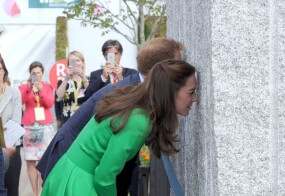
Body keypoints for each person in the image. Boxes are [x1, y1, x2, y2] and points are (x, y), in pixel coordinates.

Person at [36, 37, 183, 195]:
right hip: (74, 170)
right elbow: (104, 166)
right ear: (161, 70)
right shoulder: (126, 91)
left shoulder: (136, 86)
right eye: (177, 66)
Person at [19, 61, 55, 196]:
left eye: (38, 73)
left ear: (42, 73)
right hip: (30, 127)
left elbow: (50, 103)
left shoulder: (47, 87)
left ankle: (44, 190)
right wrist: (29, 87)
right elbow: (21, 101)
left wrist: (40, 90)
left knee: (45, 160)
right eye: (33, 73)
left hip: (45, 127)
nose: (36, 75)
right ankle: (35, 193)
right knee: (30, 161)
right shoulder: (24, 87)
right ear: (30, 74)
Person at [0, 55, 22, 196]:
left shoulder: (13, 93)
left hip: (10, 146)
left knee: (11, 190)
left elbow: (15, 122)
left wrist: (7, 150)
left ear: (4, 71)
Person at [55, 51, 89, 126]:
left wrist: (83, 77)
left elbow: (91, 94)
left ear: (82, 63)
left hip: (84, 119)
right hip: (67, 120)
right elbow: (58, 97)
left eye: (78, 60)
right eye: (72, 61)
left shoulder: (88, 79)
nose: (75, 63)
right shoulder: (63, 80)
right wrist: (67, 78)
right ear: (68, 64)